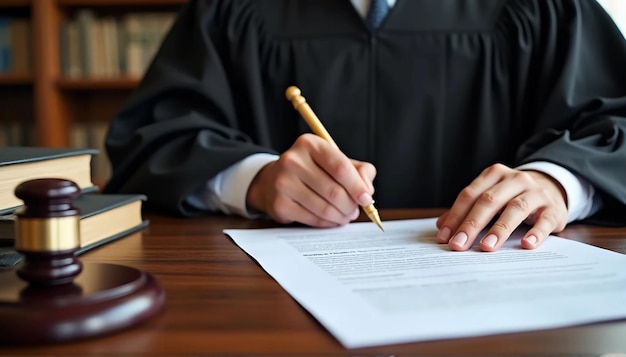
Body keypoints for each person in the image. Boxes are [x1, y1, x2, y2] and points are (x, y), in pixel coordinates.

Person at [104, 0, 626, 252]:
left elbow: (615, 117)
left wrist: (558, 180)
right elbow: (154, 136)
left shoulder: (540, 6)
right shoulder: (236, 8)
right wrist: (253, 180)